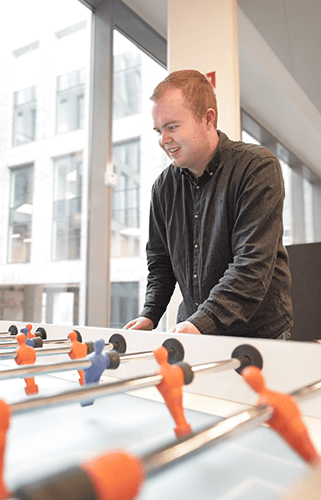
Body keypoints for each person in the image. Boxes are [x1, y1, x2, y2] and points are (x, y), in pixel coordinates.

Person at [124, 69, 292, 338]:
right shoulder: (163, 187)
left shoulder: (256, 168)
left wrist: (201, 322)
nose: (163, 139)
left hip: (258, 335)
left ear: (208, 118)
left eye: (173, 127)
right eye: (159, 130)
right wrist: (150, 313)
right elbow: (160, 263)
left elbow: (251, 265)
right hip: (195, 331)